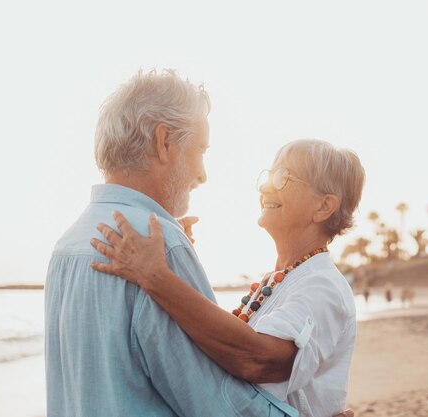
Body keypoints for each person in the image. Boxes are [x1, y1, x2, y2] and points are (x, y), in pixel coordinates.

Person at [45, 69, 301, 417]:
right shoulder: (157, 244)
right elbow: (214, 401)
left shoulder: (67, 244)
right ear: (164, 142)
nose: (202, 174)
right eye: (200, 150)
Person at [91, 139, 366, 417]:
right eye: (269, 175)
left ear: (323, 207)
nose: (265, 186)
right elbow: (224, 346)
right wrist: (179, 265)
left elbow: (258, 360)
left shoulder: (323, 285)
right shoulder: (283, 279)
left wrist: (156, 277)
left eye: (283, 177)